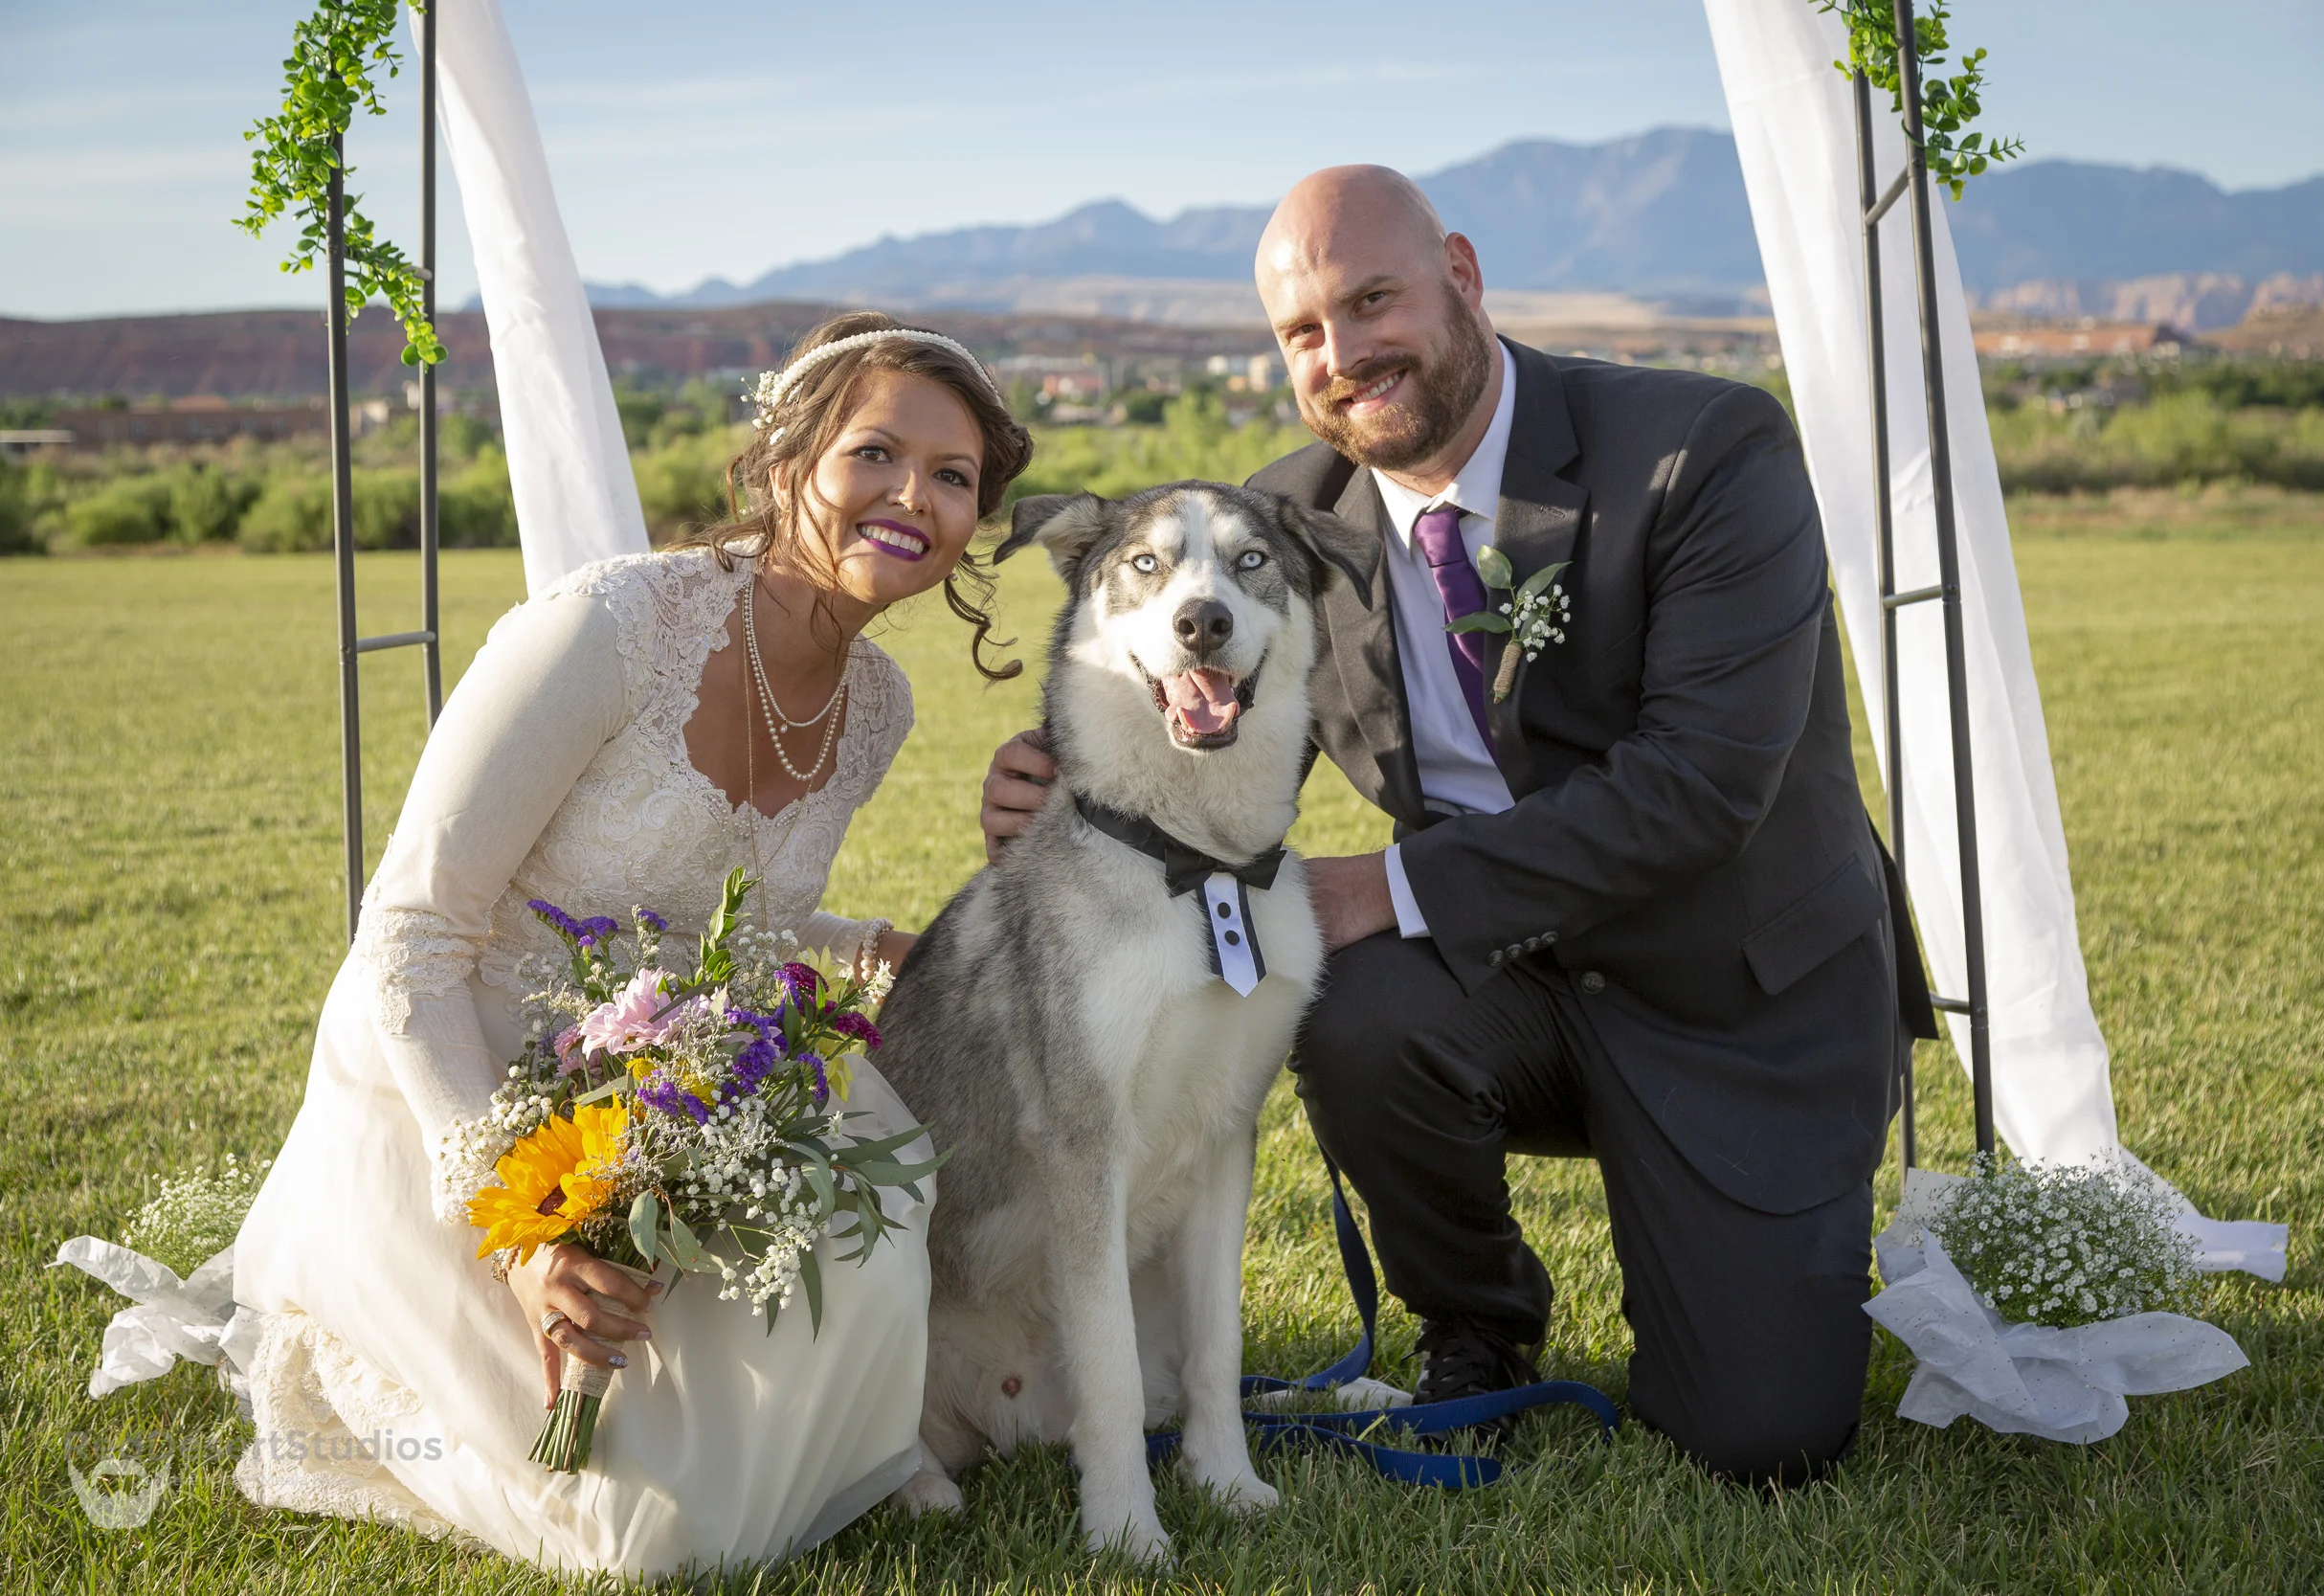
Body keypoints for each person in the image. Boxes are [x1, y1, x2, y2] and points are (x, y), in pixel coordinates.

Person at [981, 168, 1932, 1485]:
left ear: (1464, 277)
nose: (1343, 353)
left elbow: (1703, 785)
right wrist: (1072, 789)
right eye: (1303, 331)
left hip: (1736, 997)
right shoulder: (1288, 515)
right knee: (1350, 998)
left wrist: (1392, 885)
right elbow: (1224, 734)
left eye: (1373, 301)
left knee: (1762, 1438)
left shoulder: (1704, 449)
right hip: (1499, 989)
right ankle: (1475, 1324)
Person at [233, 311, 1036, 1575]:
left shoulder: (878, 706)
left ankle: (848, 1436)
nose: (912, 497)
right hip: (457, 1078)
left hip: (664, 1086)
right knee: (643, 1532)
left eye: (953, 476)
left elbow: (733, 921)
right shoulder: (607, 628)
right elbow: (412, 931)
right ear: (788, 461)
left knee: (862, 1244)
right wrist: (518, 1229)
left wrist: (905, 949)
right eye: (875, 453)